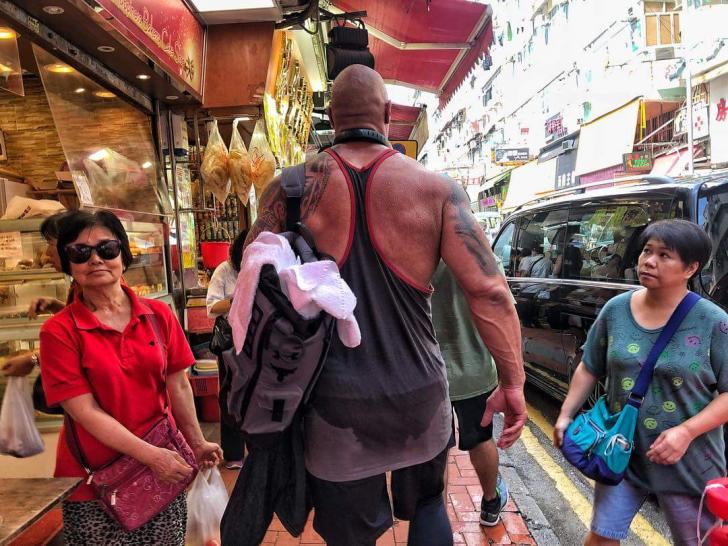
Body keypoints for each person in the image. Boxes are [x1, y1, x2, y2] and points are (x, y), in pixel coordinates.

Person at [244, 65, 527, 546]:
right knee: (429, 505)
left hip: (332, 401)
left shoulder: (289, 189)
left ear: (331, 116)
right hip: (418, 391)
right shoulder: (436, 190)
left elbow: (248, 281)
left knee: (350, 532)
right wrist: (512, 382)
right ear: (390, 114)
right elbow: (491, 293)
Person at [39, 210, 222, 545]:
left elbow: (178, 384)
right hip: (96, 481)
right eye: (80, 252)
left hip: (160, 470)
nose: (95, 259)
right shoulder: (59, 331)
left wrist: (196, 442)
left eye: (106, 249)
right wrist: (152, 456)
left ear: (123, 253)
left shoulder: (158, 315)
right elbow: (84, 411)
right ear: (68, 263)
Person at [553, 219, 728, 546]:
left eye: (664, 255)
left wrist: (686, 432)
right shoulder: (615, 310)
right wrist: (566, 414)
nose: (649, 261)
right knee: (602, 537)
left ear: (690, 268)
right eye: (647, 251)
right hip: (620, 452)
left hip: (688, 461)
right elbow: (590, 367)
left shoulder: (714, 323)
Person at [431, 259, 511, 527]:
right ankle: (490, 502)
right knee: (480, 439)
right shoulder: (477, 252)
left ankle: (438, 522)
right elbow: (503, 310)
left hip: (428, 369)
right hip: (474, 367)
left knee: (436, 452)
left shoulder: (414, 245)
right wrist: (511, 376)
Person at [1, 211, 70, 378]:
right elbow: (80, 324)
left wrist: (34, 359)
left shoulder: (93, 286)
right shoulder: (81, 285)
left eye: (51, 243)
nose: (47, 252)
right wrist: (55, 305)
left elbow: (87, 343)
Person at [206, 229, 247, 470]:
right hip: (230, 343)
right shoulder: (225, 270)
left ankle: (259, 449)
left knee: (257, 396)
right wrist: (236, 298)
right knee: (231, 395)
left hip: (256, 342)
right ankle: (233, 453)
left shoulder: (265, 266)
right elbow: (211, 308)